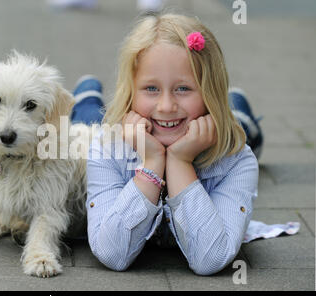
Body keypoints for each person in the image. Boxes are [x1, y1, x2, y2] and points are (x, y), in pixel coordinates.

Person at [70, 13, 264, 276]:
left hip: (217, 125)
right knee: (88, 120)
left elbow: (211, 259)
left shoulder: (237, 160)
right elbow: (112, 254)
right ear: (130, 92)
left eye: (183, 88)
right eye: (151, 88)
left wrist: (180, 162)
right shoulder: (106, 147)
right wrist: (151, 164)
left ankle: (238, 108)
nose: (166, 106)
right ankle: (86, 93)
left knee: (242, 129)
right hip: (115, 127)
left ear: (210, 93)